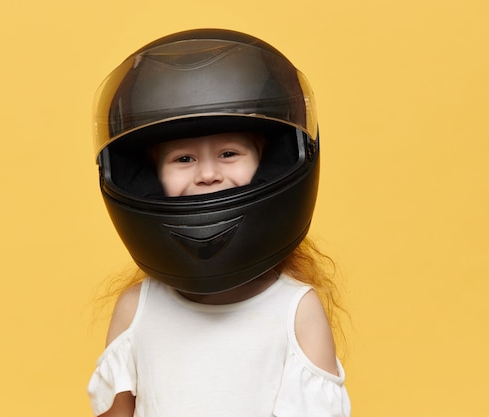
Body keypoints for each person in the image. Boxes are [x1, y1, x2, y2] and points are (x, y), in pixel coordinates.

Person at [87, 28, 351, 417]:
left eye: (229, 153)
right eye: (183, 159)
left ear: (267, 163)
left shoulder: (295, 309)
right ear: (150, 176)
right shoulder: (137, 308)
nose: (208, 174)